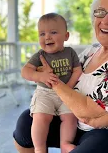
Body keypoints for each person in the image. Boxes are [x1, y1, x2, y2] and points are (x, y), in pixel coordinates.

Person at [14, 0, 108, 153]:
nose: (105, 20)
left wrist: (54, 82)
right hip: (74, 119)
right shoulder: (92, 51)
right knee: (25, 123)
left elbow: (93, 114)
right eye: (100, 12)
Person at [21, 13, 82, 153]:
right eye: (42, 34)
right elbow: (25, 71)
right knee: (40, 117)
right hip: (45, 93)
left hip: (66, 94)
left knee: (70, 117)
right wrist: (40, 76)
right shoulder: (40, 55)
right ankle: (40, 147)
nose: (47, 37)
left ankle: (65, 144)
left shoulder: (70, 52)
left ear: (66, 36)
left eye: (53, 32)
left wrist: (68, 88)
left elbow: (77, 71)